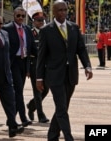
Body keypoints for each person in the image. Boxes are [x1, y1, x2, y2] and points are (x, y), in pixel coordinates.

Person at [36, 1, 93, 141]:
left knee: (63, 108)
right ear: (54, 12)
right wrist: (39, 78)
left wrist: (87, 66)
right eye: (60, 10)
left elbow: (81, 49)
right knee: (61, 108)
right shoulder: (46, 30)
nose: (63, 13)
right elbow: (41, 57)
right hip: (54, 75)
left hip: (71, 74)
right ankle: (68, 137)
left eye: (65, 10)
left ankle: (52, 136)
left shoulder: (74, 27)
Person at [2, 6, 33, 127]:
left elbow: (32, 49)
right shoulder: (7, 29)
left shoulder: (27, 29)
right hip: (12, 62)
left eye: (23, 16)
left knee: (17, 92)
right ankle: (23, 117)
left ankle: (11, 119)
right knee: (19, 91)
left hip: (24, 62)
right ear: (14, 16)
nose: (20, 18)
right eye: (18, 16)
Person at [26, 12, 49, 123]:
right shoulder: (30, 33)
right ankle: (41, 115)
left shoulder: (47, 33)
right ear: (33, 22)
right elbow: (27, 52)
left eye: (42, 20)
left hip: (45, 65)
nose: (41, 22)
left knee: (46, 90)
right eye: (38, 20)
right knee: (37, 91)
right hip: (34, 64)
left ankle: (31, 106)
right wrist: (27, 69)